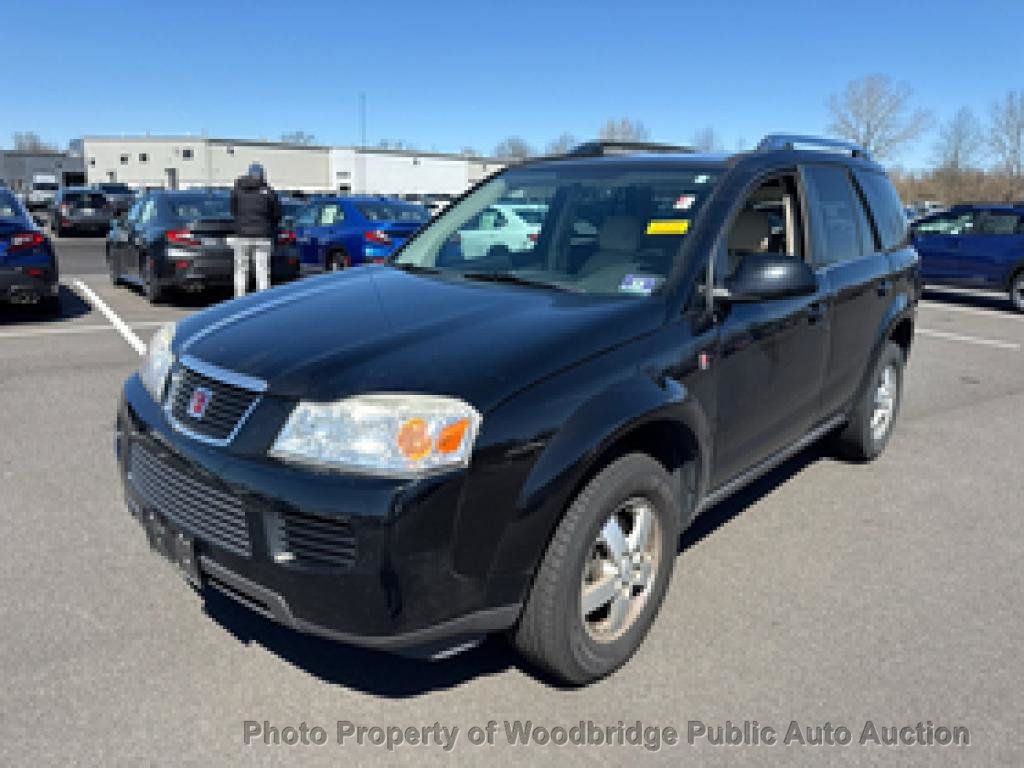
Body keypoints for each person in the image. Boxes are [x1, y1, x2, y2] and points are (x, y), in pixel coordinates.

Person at [229, 162, 281, 297]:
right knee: (263, 270)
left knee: (241, 269)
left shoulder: (238, 190)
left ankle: (239, 298)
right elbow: (277, 213)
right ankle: (262, 299)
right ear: (262, 175)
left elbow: (233, 210)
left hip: (242, 234)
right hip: (263, 235)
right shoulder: (268, 191)